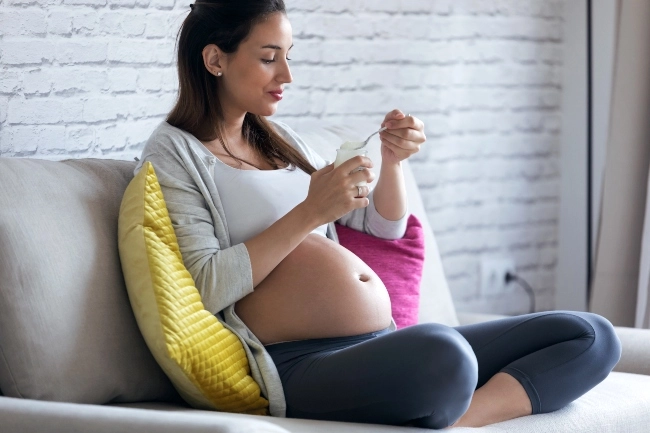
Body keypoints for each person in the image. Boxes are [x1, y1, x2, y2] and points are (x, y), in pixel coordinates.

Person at [135, 0, 622, 429]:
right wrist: (309, 212)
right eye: (268, 58)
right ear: (215, 58)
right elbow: (203, 287)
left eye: (288, 56)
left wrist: (393, 163)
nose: (287, 75)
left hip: (383, 343)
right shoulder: (175, 155)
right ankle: (446, 398)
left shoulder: (282, 143)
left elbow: (383, 229)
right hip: (299, 363)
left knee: (590, 335)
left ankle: (463, 421)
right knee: (444, 355)